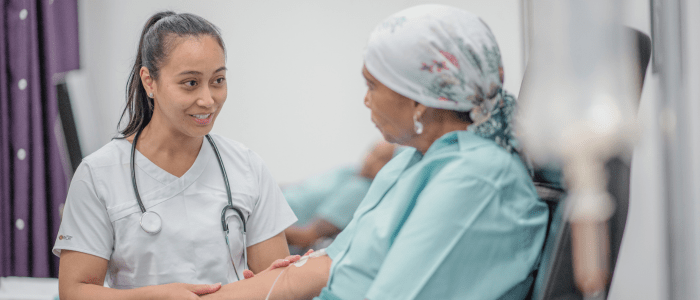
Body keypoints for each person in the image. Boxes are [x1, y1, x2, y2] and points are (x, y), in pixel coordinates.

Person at [200, 4, 549, 300]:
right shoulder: (415, 161)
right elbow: (336, 263)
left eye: (372, 85)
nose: (366, 99)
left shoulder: (477, 180)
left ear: (418, 98)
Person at [53, 12, 301, 299]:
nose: (208, 100)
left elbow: (276, 281)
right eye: (190, 83)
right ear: (149, 81)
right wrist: (158, 296)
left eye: (218, 80)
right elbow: (74, 291)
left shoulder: (247, 167)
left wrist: (291, 277)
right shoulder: (98, 175)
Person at [284, 141, 396, 250]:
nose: (372, 161)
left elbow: (305, 237)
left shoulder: (360, 191)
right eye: (373, 153)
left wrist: (271, 225)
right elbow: (300, 188)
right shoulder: (349, 171)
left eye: (382, 159)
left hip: (279, 228)